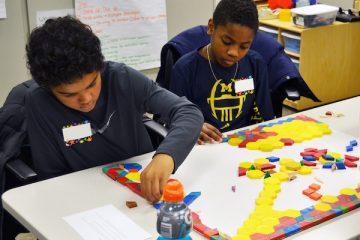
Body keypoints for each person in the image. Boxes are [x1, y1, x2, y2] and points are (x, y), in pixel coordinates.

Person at [25, 16, 203, 203]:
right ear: (48, 88)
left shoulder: (121, 78)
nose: (86, 99)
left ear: (100, 68)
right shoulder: (39, 103)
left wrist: (166, 156)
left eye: (92, 84)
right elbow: (51, 180)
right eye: (69, 95)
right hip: (86, 197)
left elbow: (188, 112)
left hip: (139, 189)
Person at [169, 0, 274, 145]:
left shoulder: (255, 64)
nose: (234, 52)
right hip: (202, 144)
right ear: (211, 27)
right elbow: (173, 119)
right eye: (226, 42)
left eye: (244, 46)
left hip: (244, 142)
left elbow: (264, 118)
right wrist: (191, 128)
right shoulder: (185, 69)